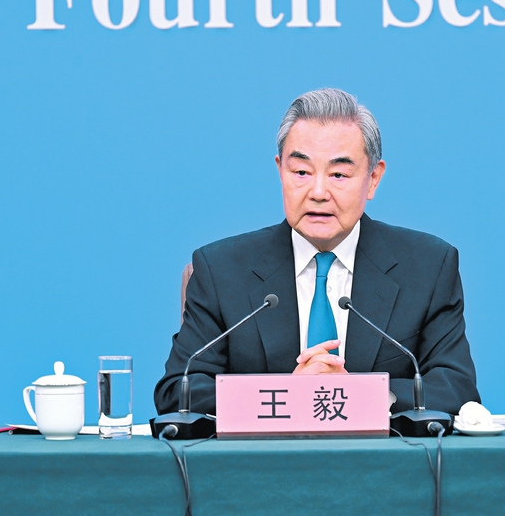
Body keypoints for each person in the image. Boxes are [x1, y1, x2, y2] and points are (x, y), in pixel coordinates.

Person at [154, 88, 480, 416]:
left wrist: (358, 394)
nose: (319, 192)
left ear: (373, 179)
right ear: (280, 170)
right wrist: (287, 395)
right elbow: (179, 391)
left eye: (338, 174)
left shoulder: (427, 267)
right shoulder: (221, 270)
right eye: (301, 172)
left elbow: (456, 388)